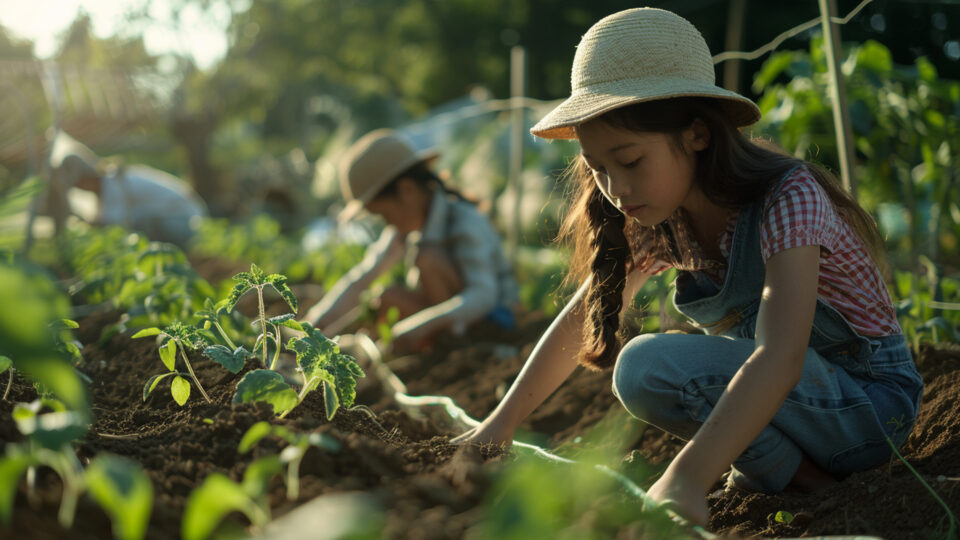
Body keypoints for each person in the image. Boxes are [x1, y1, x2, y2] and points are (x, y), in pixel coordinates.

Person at [452, 7, 923, 528]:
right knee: (642, 373)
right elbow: (584, 314)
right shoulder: (660, 220)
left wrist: (687, 477)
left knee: (652, 361)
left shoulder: (787, 198)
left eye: (630, 162)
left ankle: (791, 472)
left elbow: (781, 356)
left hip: (869, 409)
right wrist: (499, 425)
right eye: (599, 169)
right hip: (795, 409)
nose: (616, 188)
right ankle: (804, 478)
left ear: (698, 134)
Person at [303, 129, 518, 353]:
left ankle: (463, 348)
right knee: (387, 298)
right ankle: (436, 347)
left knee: (427, 259)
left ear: (406, 190)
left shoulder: (464, 220)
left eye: (385, 214)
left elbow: (483, 296)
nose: (387, 223)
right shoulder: (403, 232)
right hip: (454, 321)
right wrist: (312, 325)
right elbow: (364, 278)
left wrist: (417, 327)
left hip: (495, 320)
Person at [45, 131, 208, 247]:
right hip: (185, 219)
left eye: (77, 184)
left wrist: (82, 220)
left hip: (184, 223)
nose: (78, 189)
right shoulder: (111, 180)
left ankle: (171, 255)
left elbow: (114, 222)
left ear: (87, 178)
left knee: (135, 221)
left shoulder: (114, 184)